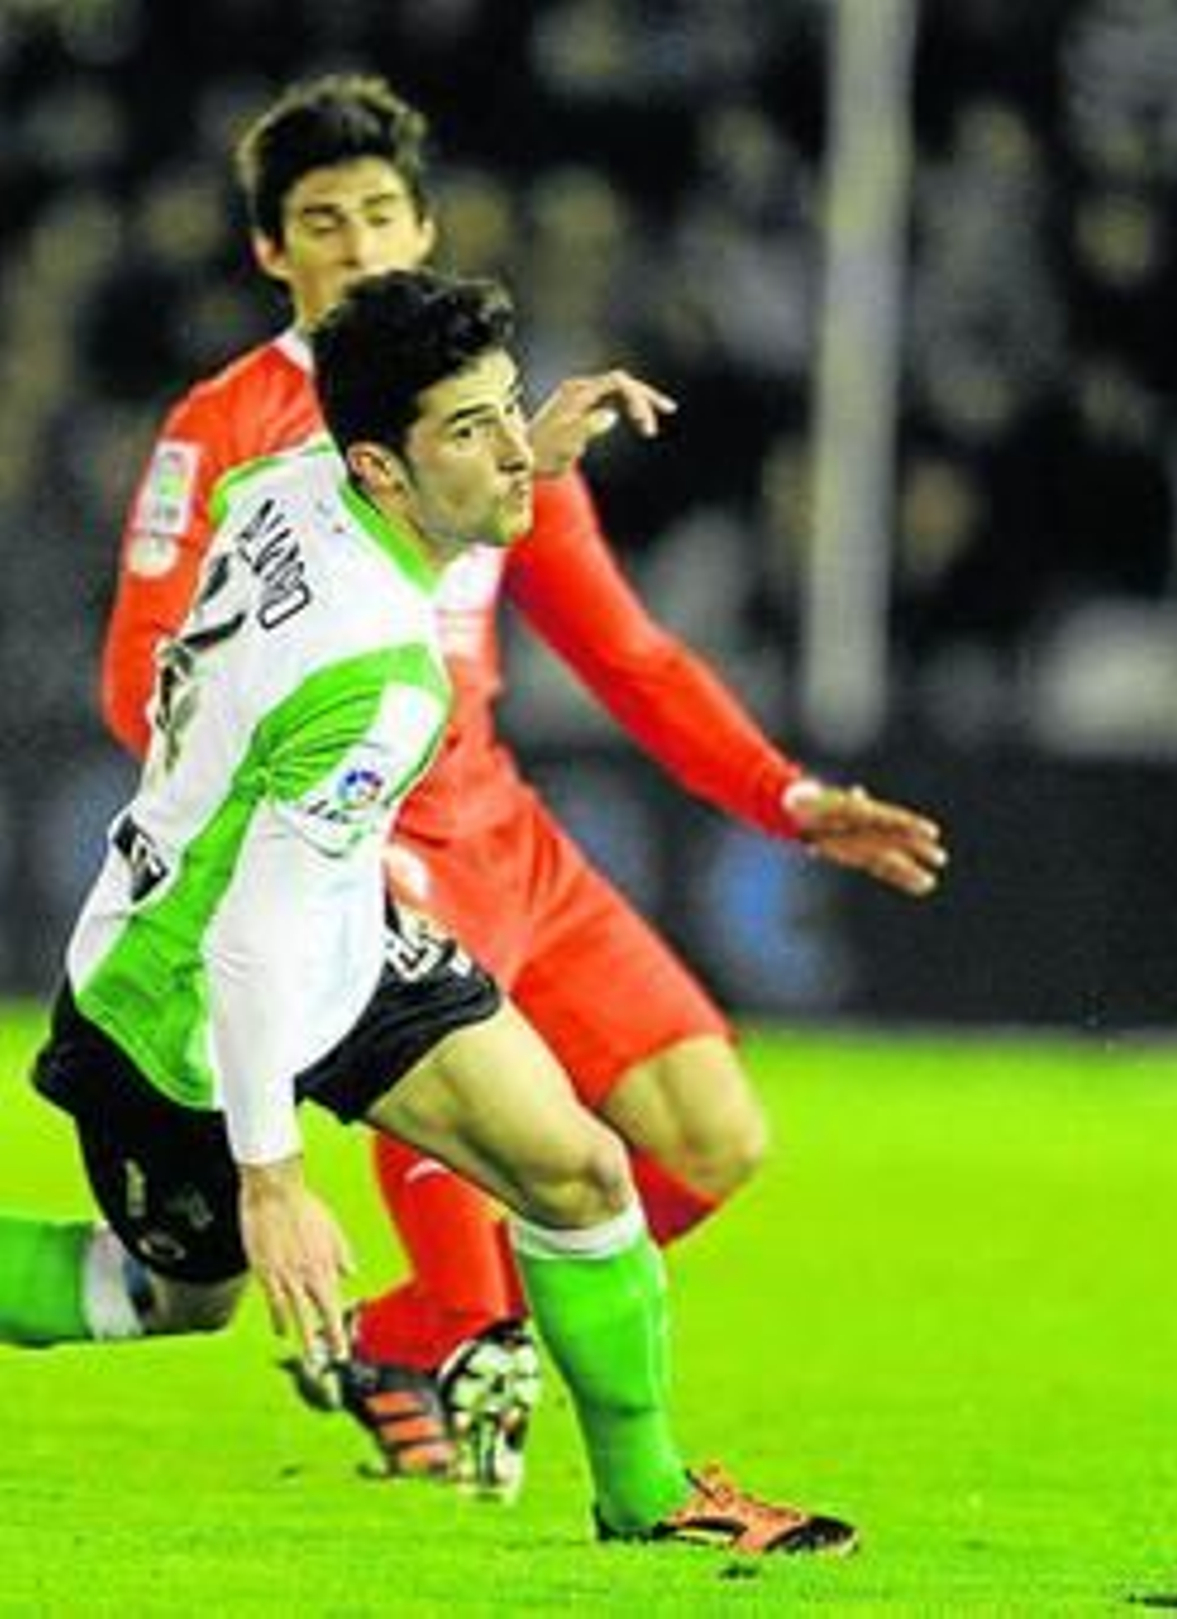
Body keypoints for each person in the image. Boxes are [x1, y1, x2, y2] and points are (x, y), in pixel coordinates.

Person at [100, 75, 947, 1495]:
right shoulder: (224, 427)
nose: (359, 244)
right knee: (463, 1098)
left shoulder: (477, 423)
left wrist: (784, 796)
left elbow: (625, 647)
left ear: (425, 225)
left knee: (712, 1136)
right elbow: (140, 672)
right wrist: (269, 806)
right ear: (269, 250)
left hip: (501, 823)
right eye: (323, 220)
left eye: (383, 212)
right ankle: (498, 1355)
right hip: (365, 833)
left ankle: (412, 1334)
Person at [6, 267, 870, 1554]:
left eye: (508, 407)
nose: (514, 449)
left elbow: (370, 496)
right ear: (384, 466)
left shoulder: (291, 477)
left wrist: (521, 450)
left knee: (578, 1170)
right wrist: (275, 1181)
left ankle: (649, 1496)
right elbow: (248, 939)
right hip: (180, 997)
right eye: (473, 430)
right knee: (181, 1298)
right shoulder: (379, 678)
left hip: (336, 930)